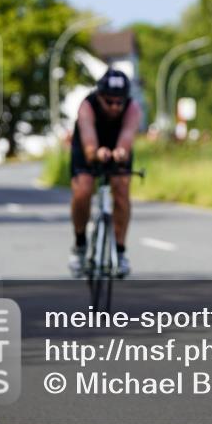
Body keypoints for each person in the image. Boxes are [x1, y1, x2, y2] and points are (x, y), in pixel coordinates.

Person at [68, 68, 142, 278]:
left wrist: (121, 152)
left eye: (120, 102)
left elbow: (127, 136)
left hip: (116, 145)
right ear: (99, 96)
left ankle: (120, 251)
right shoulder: (87, 106)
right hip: (88, 146)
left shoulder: (132, 108)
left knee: (121, 189)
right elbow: (89, 142)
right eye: (109, 101)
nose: (115, 107)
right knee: (83, 189)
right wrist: (95, 153)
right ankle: (80, 245)